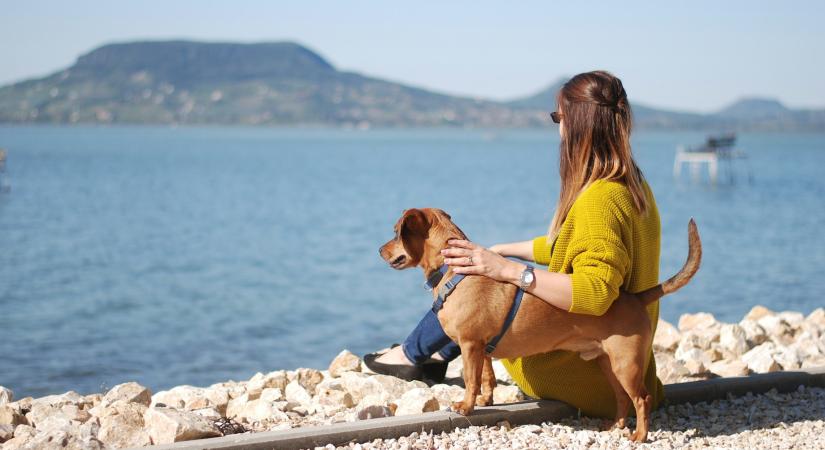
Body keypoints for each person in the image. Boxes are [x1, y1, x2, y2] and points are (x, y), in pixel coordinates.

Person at [364, 70, 664, 418]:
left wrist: (508, 271)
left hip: (587, 375)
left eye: (559, 117)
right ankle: (426, 353)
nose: (559, 127)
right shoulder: (631, 184)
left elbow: (595, 291)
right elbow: (573, 247)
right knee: (474, 287)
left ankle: (415, 354)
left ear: (579, 123)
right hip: (629, 358)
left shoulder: (599, 198)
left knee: (473, 303)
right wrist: (503, 250)